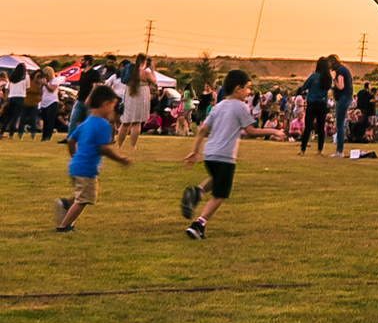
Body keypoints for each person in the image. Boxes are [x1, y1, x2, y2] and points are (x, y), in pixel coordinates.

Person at [180, 69, 285, 239]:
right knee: (220, 194)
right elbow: (250, 131)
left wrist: (195, 151)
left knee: (217, 179)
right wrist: (273, 131)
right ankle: (199, 224)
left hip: (210, 154)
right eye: (248, 88)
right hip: (225, 156)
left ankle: (197, 192)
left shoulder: (218, 106)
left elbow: (202, 129)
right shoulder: (241, 107)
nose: (249, 92)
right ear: (238, 89)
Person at [56, 84, 130, 231]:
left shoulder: (87, 121)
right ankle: (64, 226)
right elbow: (103, 148)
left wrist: (74, 157)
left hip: (75, 166)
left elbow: (71, 140)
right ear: (106, 104)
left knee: (81, 192)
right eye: (113, 106)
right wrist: (120, 159)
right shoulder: (103, 124)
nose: (113, 110)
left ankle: (66, 204)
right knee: (85, 199)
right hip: (86, 169)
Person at [117, 55, 154, 148]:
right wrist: (152, 70)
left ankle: (119, 145)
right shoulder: (145, 72)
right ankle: (133, 145)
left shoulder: (131, 71)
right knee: (136, 122)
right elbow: (154, 80)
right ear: (144, 61)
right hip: (141, 95)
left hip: (129, 95)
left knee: (125, 122)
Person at [330, 56, 353, 157]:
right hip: (346, 98)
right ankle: (339, 149)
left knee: (339, 124)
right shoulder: (343, 69)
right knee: (340, 124)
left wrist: (333, 81)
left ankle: (339, 151)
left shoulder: (339, 71)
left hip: (343, 98)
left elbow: (340, 86)